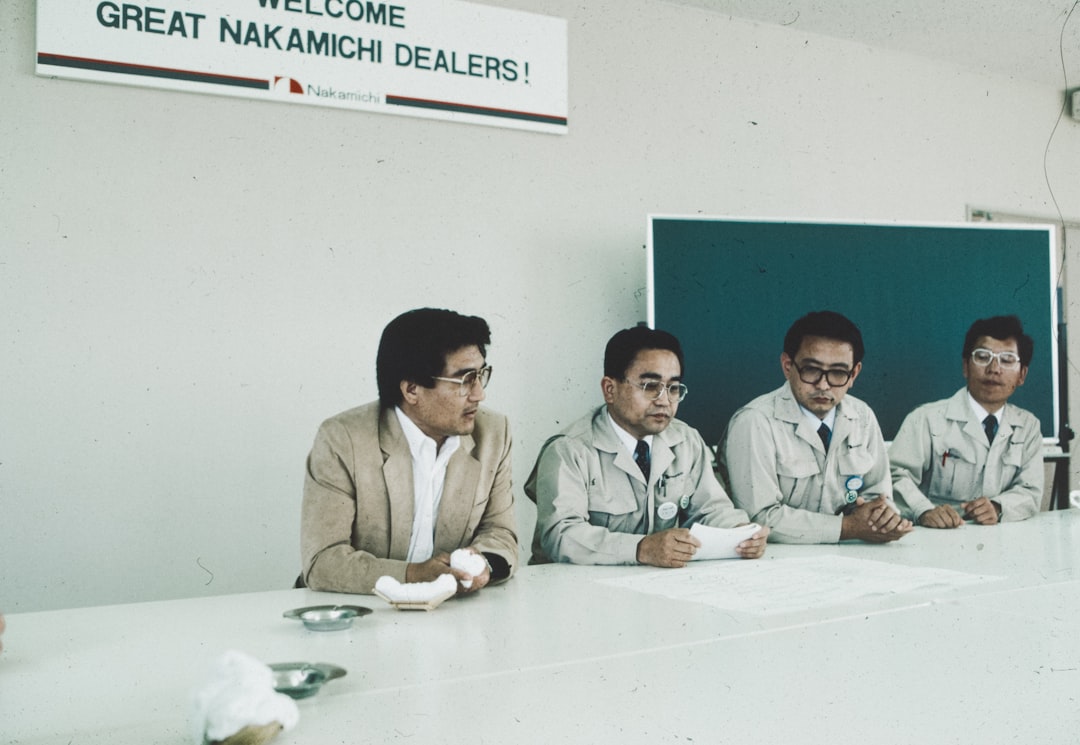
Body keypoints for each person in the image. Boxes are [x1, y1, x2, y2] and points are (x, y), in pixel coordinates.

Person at [300, 308, 517, 595]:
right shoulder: (343, 438)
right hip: (362, 611)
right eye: (465, 380)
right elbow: (323, 562)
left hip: (450, 613)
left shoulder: (493, 432)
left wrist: (483, 565)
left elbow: (501, 533)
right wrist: (414, 575)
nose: (479, 394)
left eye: (481, 375)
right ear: (412, 390)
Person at [527, 326, 768, 567]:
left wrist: (741, 533)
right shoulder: (569, 449)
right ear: (610, 390)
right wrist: (640, 548)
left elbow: (710, 510)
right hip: (572, 589)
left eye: (673, 388)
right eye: (650, 386)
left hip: (650, 583)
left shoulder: (686, 440)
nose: (664, 400)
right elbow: (560, 535)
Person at [719, 310, 912, 544]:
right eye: (811, 370)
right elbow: (758, 516)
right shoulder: (755, 421)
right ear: (788, 366)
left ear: (854, 374)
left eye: (838, 373)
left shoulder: (862, 416)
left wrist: (883, 518)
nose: (823, 385)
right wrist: (848, 527)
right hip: (774, 559)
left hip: (851, 555)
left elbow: (879, 496)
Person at [890, 315, 1042, 527]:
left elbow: (1031, 491)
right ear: (965, 366)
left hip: (997, 538)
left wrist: (998, 507)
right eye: (982, 356)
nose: (994, 369)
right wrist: (923, 510)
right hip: (935, 537)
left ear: (1022, 375)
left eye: (1007, 360)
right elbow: (895, 476)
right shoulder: (925, 419)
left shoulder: (1029, 426)